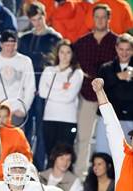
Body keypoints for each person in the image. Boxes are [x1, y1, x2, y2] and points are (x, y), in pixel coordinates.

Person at [73, 4, 118, 178]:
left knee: (111, 138)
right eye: (96, 16)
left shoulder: (117, 42)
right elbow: (72, 63)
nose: (99, 20)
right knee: (83, 138)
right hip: (87, 96)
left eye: (103, 17)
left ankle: (113, 175)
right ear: (93, 18)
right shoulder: (82, 42)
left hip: (111, 98)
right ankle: (80, 175)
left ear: (109, 19)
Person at [18, 2, 62, 170]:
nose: (37, 22)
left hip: (46, 91)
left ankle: (40, 166)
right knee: (26, 128)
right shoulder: (24, 38)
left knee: (43, 131)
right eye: (33, 20)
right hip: (27, 89)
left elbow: (58, 65)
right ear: (29, 20)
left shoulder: (55, 38)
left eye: (39, 18)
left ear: (45, 16)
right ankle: (23, 162)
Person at [39, 40, 84, 158]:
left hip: (67, 120)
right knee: (50, 154)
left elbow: (68, 98)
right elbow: (43, 93)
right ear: (57, 53)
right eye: (62, 52)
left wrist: (51, 88)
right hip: (49, 118)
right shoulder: (49, 71)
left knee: (64, 155)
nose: (64, 55)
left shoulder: (77, 73)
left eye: (68, 52)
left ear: (72, 54)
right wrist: (62, 87)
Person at [0, 30, 36, 126]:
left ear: (17, 44)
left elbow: (30, 87)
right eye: (7, 45)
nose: (10, 48)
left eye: (13, 45)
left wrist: (23, 109)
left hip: (16, 111)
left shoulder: (25, 61)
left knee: (15, 139)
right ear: (1, 44)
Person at [95, 33, 133, 154]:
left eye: (128, 49)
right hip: (108, 117)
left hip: (130, 118)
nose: (124, 53)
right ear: (116, 48)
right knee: (103, 152)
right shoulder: (105, 68)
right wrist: (118, 77)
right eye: (121, 49)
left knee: (127, 155)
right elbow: (100, 89)